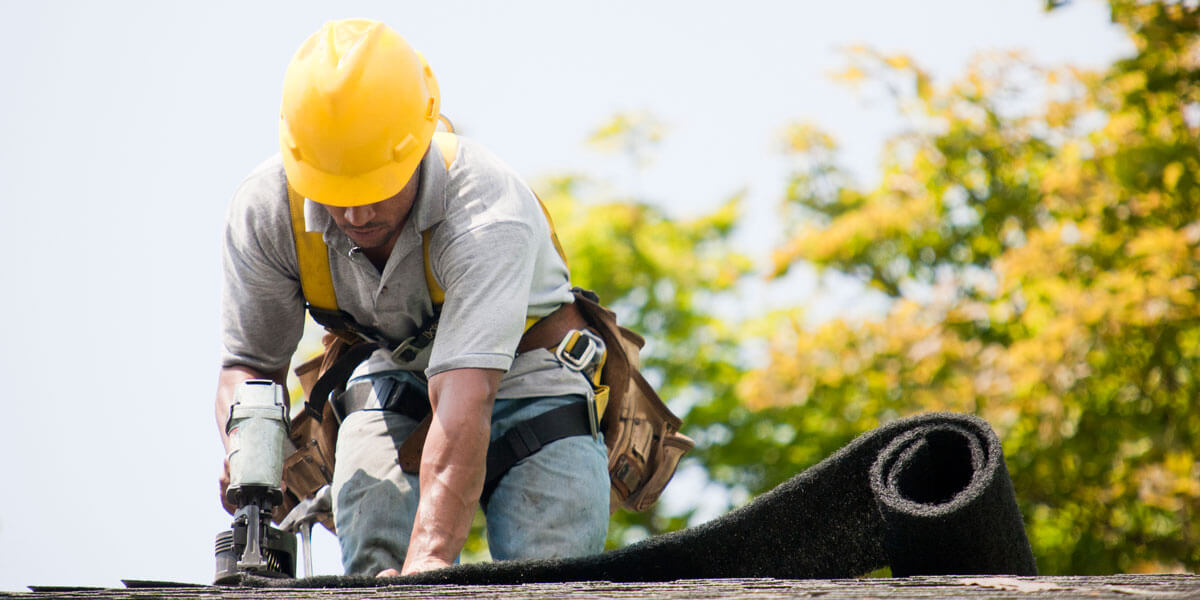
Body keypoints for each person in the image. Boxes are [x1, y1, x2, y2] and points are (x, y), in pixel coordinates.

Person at [214, 18, 610, 577]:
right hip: (397, 371)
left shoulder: (484, 208)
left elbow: (465, 396)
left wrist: (426, 570)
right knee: (370, 539)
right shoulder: (267, 211)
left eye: (374, 189)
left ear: (417, 147)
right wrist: (251, 449)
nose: (355, 215)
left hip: (531, 375)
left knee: (548, 576)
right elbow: (250, 368)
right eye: (334, 193)